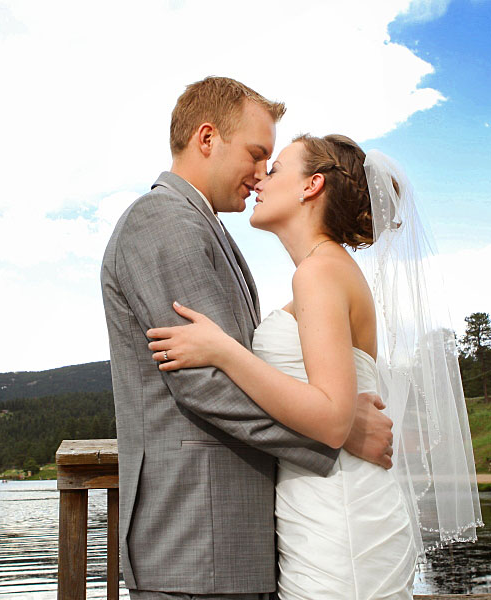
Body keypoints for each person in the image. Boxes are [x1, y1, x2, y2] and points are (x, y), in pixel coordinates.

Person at [146, 134, 482, 598]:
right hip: (325, 507)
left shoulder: (319, 273)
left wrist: (223, 351)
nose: (262, 177)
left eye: (278, 167)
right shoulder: (325, 271)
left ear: (312, 186)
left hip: (341, 518)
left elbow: (330, 417)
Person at [100, 77, 395, 599]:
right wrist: (339, 430)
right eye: (258, 154)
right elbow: (205, 382)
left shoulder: (219, 233)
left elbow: (232, 362)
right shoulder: (162, 220)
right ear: (207, 138)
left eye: (272, 163)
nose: (261, 174)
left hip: (242, 542)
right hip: (196, 542)